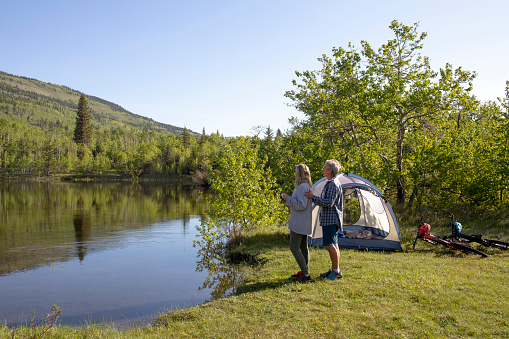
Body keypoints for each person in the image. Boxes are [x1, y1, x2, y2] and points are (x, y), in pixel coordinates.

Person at [304, 159, 343, 281]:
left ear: (330, 170)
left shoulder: (332, 184)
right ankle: (334, 269)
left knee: (329, 244)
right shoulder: (331, 182)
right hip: (331, 219)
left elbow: (329, 203)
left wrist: (313, 198)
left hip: (331, 219)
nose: (323, 169)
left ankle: (336, 271)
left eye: (325, 168)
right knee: (334, 244)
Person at [281, 164, 313, 282]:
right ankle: (305, 272)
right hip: (304, 222)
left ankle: (305, 274)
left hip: (299, 223)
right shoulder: (307, 186)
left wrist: (287, 199)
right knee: (303, 247)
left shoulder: (301, 187)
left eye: (296, 172)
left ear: (299, 173)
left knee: (294, 247)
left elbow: (301, 205)